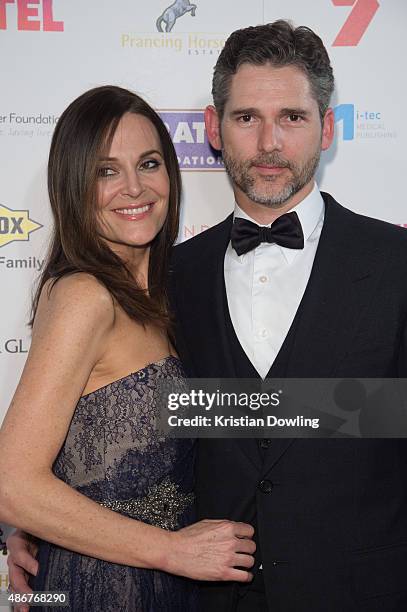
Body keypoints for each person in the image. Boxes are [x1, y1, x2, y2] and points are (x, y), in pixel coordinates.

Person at [7, 19, 407, 612]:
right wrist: (36, 521)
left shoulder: (395, 263)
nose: (270, 143)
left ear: (326, 128)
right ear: (214, 130)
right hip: (200, 594)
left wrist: (41, 514)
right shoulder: (172, 275)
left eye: (292, 118)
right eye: (247, 118)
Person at [0, 85, 256, 612]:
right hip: (104, 588)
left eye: (148, 163)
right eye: (106, 171)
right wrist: (171, 550)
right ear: (73, 184)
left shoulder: (169, 290)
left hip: (168, 584)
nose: (134, 188)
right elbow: (11, 483)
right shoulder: (84, 296)